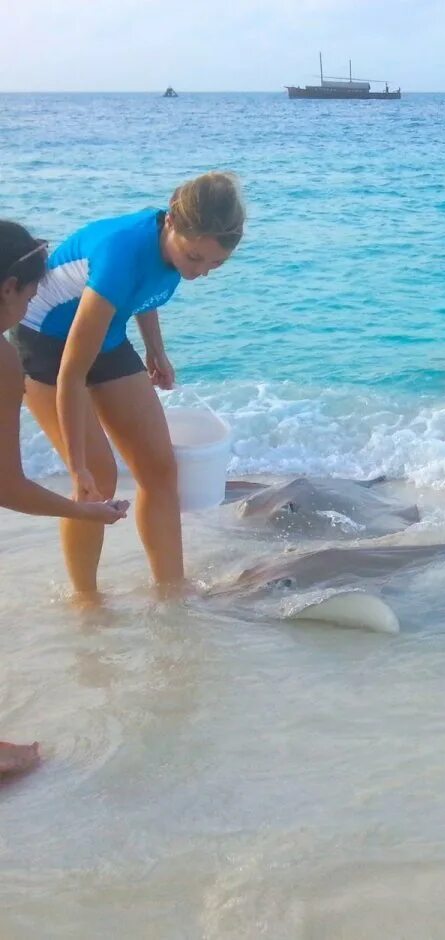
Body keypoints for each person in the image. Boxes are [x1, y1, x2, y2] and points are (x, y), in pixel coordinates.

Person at [14, 172, 245, 601]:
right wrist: (78, 463)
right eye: (195, 258)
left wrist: (156, 350)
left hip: (107, 331)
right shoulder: (121, 250)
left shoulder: (174, 247)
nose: (200, 273)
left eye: (215, 265)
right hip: (47, 342)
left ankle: (172, 590)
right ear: (172, 222)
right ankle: (86, 600)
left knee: (159, 468)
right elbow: (70, 372)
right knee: (96, 480)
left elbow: (144, 290)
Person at [2, 221, 133, 782]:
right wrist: (85, 509)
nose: (31, 305)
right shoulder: (5, 362)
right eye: (31, 293)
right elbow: (6, 487)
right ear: (8, 287)